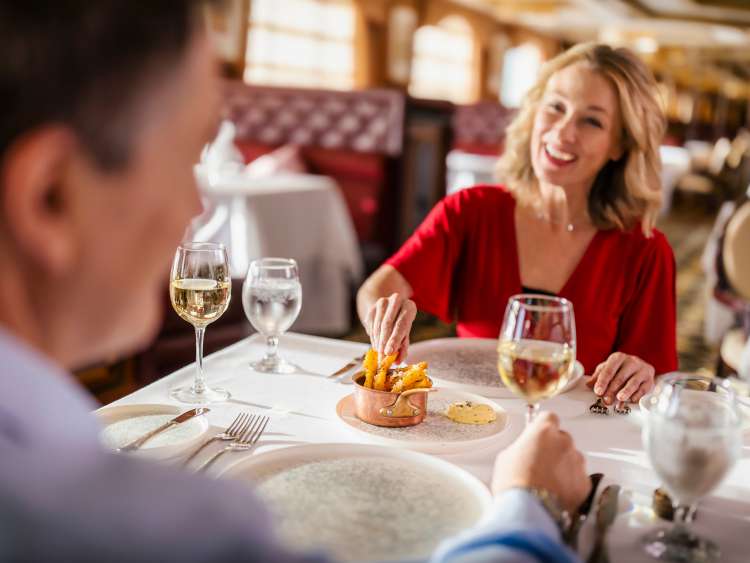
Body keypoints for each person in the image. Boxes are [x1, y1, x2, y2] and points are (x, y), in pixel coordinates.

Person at [0, 2, 590, 562]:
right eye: (185, 158)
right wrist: (528, 505)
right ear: (49, 198)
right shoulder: (157, 528)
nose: (195, 205)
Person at [359, 43, 678, 407]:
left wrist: (640, 373)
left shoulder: (645, 250)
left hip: (575, 436)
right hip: (465, 416)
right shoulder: (471, 210)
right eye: (555, 107)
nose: (562, 132)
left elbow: (658, 378)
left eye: (591, 120)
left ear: (619, 145)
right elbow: (376, 289)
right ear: (534, 112)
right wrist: (384, 313)